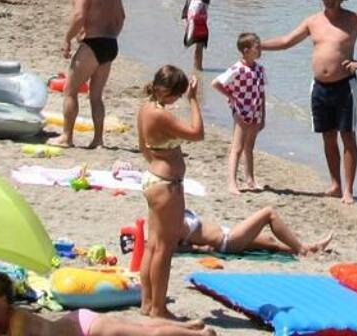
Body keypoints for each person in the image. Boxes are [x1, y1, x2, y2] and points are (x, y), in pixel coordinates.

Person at [260, 0, 357, 204]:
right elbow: (287, 40)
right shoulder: (313, 21)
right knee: (328, 137)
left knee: (347, 136)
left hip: (345, 86)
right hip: (319, 87)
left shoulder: (354, 19)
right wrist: (258, 45)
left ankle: (348, 190)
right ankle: (335, 184)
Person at [136, 65, 206, 322]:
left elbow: (142, 145)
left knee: (152, 245)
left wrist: (158, 160)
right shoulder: (161, 115)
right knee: (164, 249)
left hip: (154, 177)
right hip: (166, 183)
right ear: (169, 92)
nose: (178, 99)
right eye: (177, 94)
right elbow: (197, 133)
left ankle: (147, 302)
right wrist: (194, 101)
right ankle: (158, 307)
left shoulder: (146, 108)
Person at [0, 269, 210, 336]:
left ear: (4, 299)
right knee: (139, 328)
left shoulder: (18, 318)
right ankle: (189, 326)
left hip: (84, 327)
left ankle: (199, 334)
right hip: (74, 325)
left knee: (144, 334)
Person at [61, 0, 126, 149]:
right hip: (111, 43)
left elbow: (79, 15)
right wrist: (111, 34)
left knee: (70, 91)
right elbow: (121, 17)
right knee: (96, 95)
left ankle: (66, 137)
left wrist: (68, 38)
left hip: (93, 43)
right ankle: (98, 139)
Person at [212, 32, 267, 195]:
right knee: (237, 147)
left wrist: (263, 116)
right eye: (257, 47)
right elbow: (216, 83)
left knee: (249, 147)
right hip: (241, 110)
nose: (260, 50)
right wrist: (231, 96)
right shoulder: (237, 68)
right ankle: (232, 182)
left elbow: (262, 93)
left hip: (255, 110)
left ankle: (250, 179)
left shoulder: (259, 69)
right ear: (246, 50)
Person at [180, 206, 331, 259]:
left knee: (270, 242)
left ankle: (312, 247)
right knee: (269, 213)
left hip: (227, 234)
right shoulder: (169, 222)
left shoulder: (174, 212)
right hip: (227, 240)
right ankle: (303, 250)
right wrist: (200, 249)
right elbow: (171, 245)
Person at [181, 0, 223, 73]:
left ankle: (197, 68)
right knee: (199, 44)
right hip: (194, 20)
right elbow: (193, 10)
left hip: (197, 19)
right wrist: (191, 25)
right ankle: (198, 70)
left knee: (200, 44)